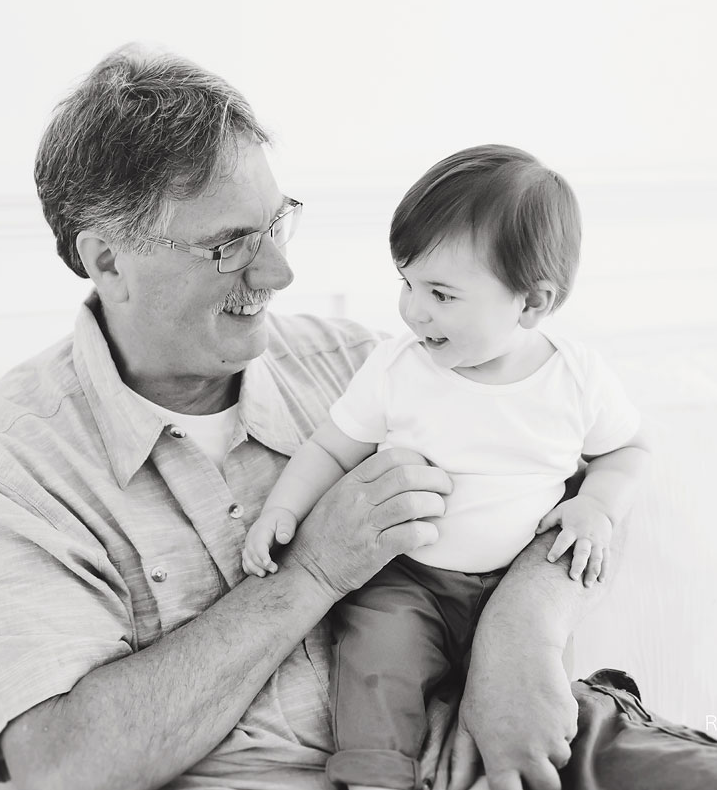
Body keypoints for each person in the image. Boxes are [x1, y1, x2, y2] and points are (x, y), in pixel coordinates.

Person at [0, 44, 717, 790]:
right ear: (107, 259)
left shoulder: (361, 360)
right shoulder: (11, 469)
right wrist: (310, 571)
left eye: (279, 226)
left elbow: (569, 472)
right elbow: (59, 763)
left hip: (496, 730)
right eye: (230, 244)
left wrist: (520, 630)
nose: (277, 274)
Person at [240, 144, 651, 790]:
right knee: (376, 659)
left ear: (530, 303)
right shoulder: (399, 369)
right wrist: (282, 508)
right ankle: (377, 774)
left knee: (531, 699)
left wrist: (597, 503)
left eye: (440, 293)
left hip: (515, 581)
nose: (413, 310)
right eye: (406, 282)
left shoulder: (575, 377)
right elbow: (329, 447)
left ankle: (501, 768)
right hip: (410, 579)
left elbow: (626, 451)